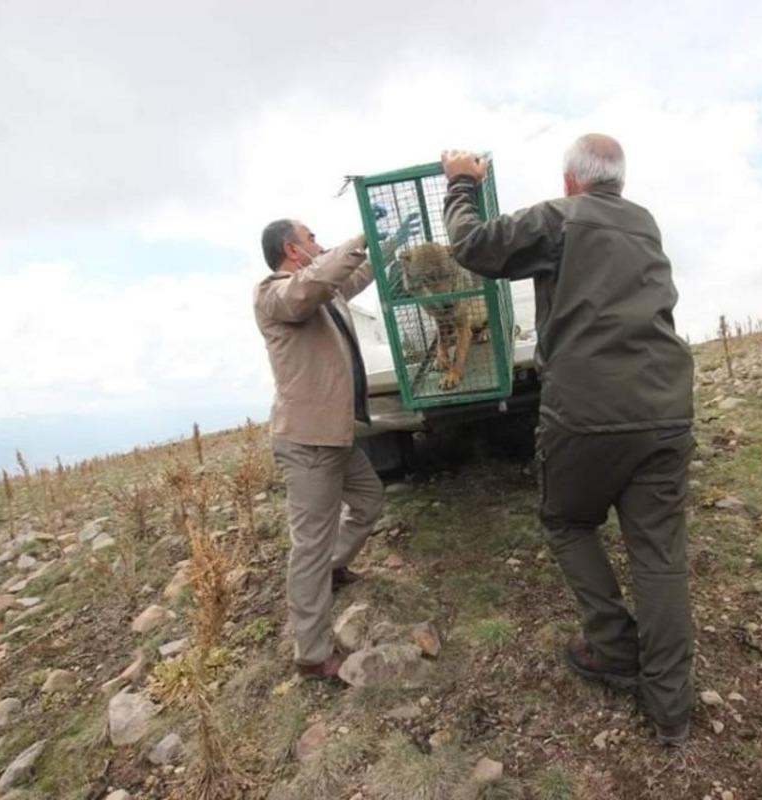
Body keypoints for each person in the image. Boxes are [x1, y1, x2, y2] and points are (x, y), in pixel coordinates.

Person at [440, 135, 698, 746]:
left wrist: (460, 183)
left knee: (567, 521)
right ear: (619, 182)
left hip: (586, 411)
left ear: (570, 181)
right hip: (665, 408)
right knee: (660, 557)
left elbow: (473, 247)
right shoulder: (645, 224)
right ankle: (671, 712)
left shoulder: (560, 219)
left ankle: (612, 647)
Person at [254, 217, 413, 680]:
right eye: (312, 239)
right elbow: (313, 285)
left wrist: (382, 247)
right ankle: (312, 653)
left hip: (336, 435)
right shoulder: (275, 293)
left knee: (368, 500)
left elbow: (347, 277)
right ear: (291, 249)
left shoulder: (323, 291)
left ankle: (334, 566)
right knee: (309, 546)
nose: (319, 245)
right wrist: (358, 237)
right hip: (307, 443)